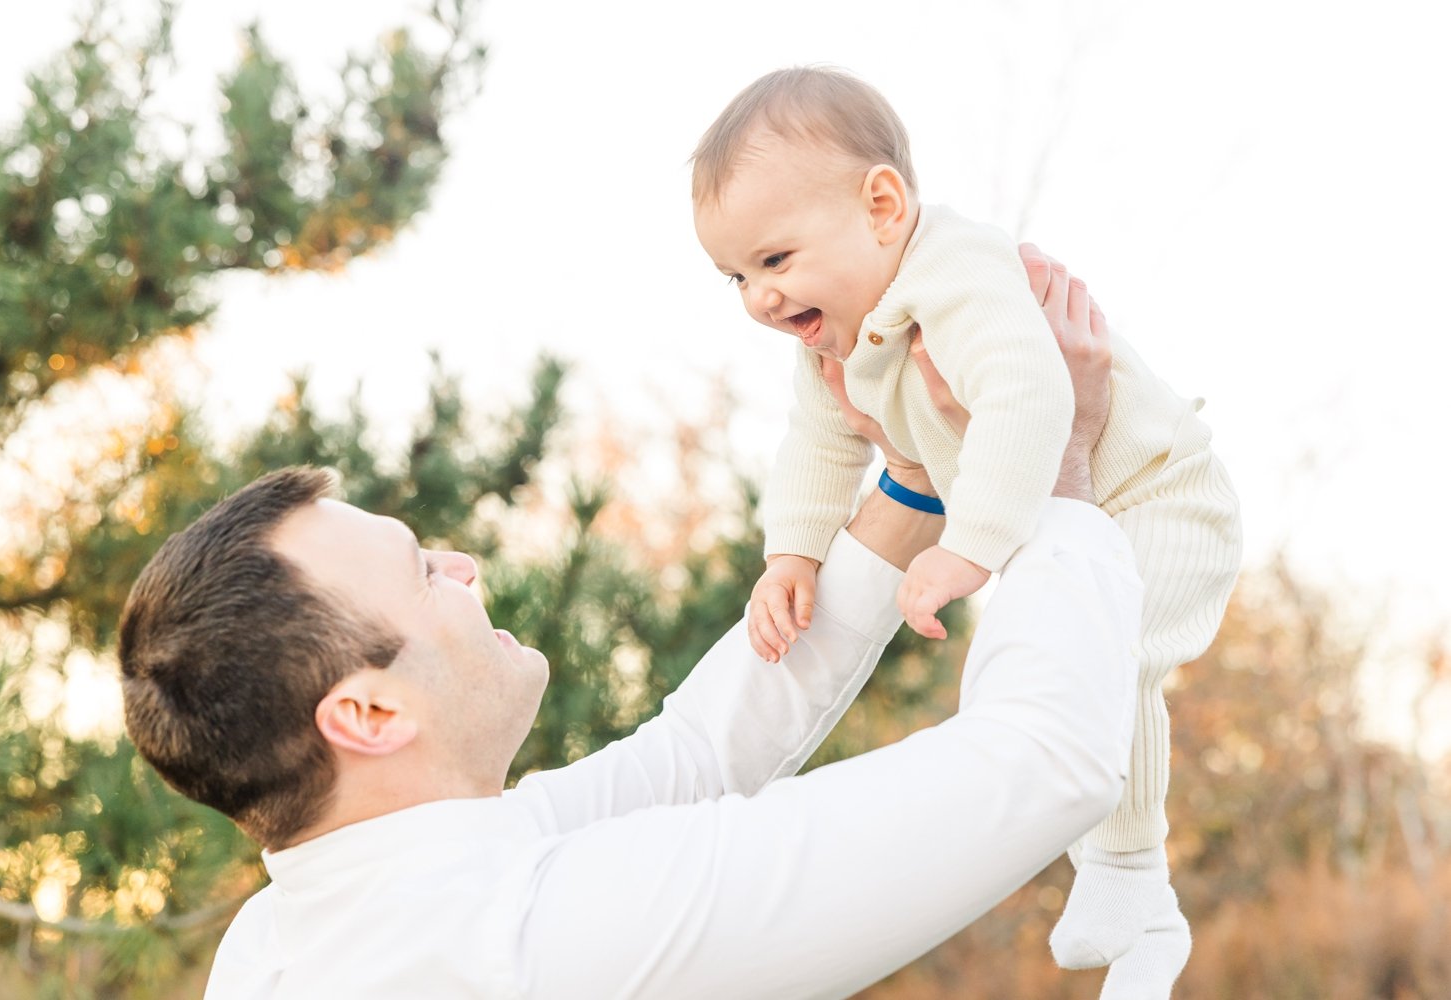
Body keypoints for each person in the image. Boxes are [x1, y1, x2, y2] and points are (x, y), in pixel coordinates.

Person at [119, 250, 1125, 999]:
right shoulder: (542, 943)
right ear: (370, 713)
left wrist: (909, 478)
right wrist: (1064, 463)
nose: (463, 565)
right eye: (423, 572)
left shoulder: (282, 942)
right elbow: (1043, 761)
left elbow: (697, 752)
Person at [690, 67, 1243, 999]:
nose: (758, 298)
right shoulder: (835, 339)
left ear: (881, 205)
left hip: (1157, 495)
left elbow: (1029, 394)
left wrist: (971, 542)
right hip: (1074, 521)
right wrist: (791, 554)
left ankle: (1130, 882)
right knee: (1082, 670)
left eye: (775, 261)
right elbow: (819, 445)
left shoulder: (956, 269)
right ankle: (1138, 900)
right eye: (735, 277)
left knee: (1100, 665)